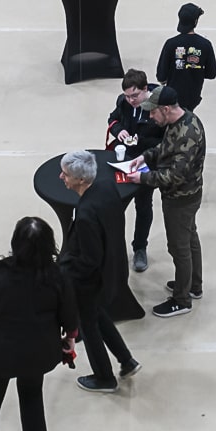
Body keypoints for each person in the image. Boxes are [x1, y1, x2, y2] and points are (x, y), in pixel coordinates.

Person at [0, 216, 78, 431]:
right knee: (32, 396)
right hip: (38, 352)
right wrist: (70, 339)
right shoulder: (57, 275)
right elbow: (69, 313)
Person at [56, 151, 141, 394]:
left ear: (81, 180)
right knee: (99, 316)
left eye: (67, 174)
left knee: (89, 326)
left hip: (91, 281)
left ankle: (104, 377)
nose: (62, 177)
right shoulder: (106, 187)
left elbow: (89, 260)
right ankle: (126, 360)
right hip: (113, 268)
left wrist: (66, 275)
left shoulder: (85, 216)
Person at [133, 85, 205, 318]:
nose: (151, 117)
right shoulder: (180, 121)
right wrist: (145, 156)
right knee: (190, 239)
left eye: (153, 112)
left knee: (179, 247)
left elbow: (174, 175)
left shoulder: (188, 134)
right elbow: (165, 148)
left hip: (180, 198)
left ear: (165, 109)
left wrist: (142, 178)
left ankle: (182, 299)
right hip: (184, 195)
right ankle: (193, 285)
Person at [106, 70, 161, 276]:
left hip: (147, 163)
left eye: (134, 95)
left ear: (145, 89)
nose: (131, 100)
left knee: (143, 206)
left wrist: (143, 142)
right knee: (115, 204)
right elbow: (112, 119)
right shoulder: (123, 102)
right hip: (125, 161)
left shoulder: (158, 106)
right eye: (127, 96)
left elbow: (165, 139)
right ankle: (113, 247)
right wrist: (118, 129)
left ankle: (140, 248)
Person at [155, 3, 216, 112]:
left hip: (173, 97)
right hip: (193, 97)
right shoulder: (205, 45)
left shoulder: (171, 44)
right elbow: (212, 73)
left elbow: (161, 76)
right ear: (195, 22)